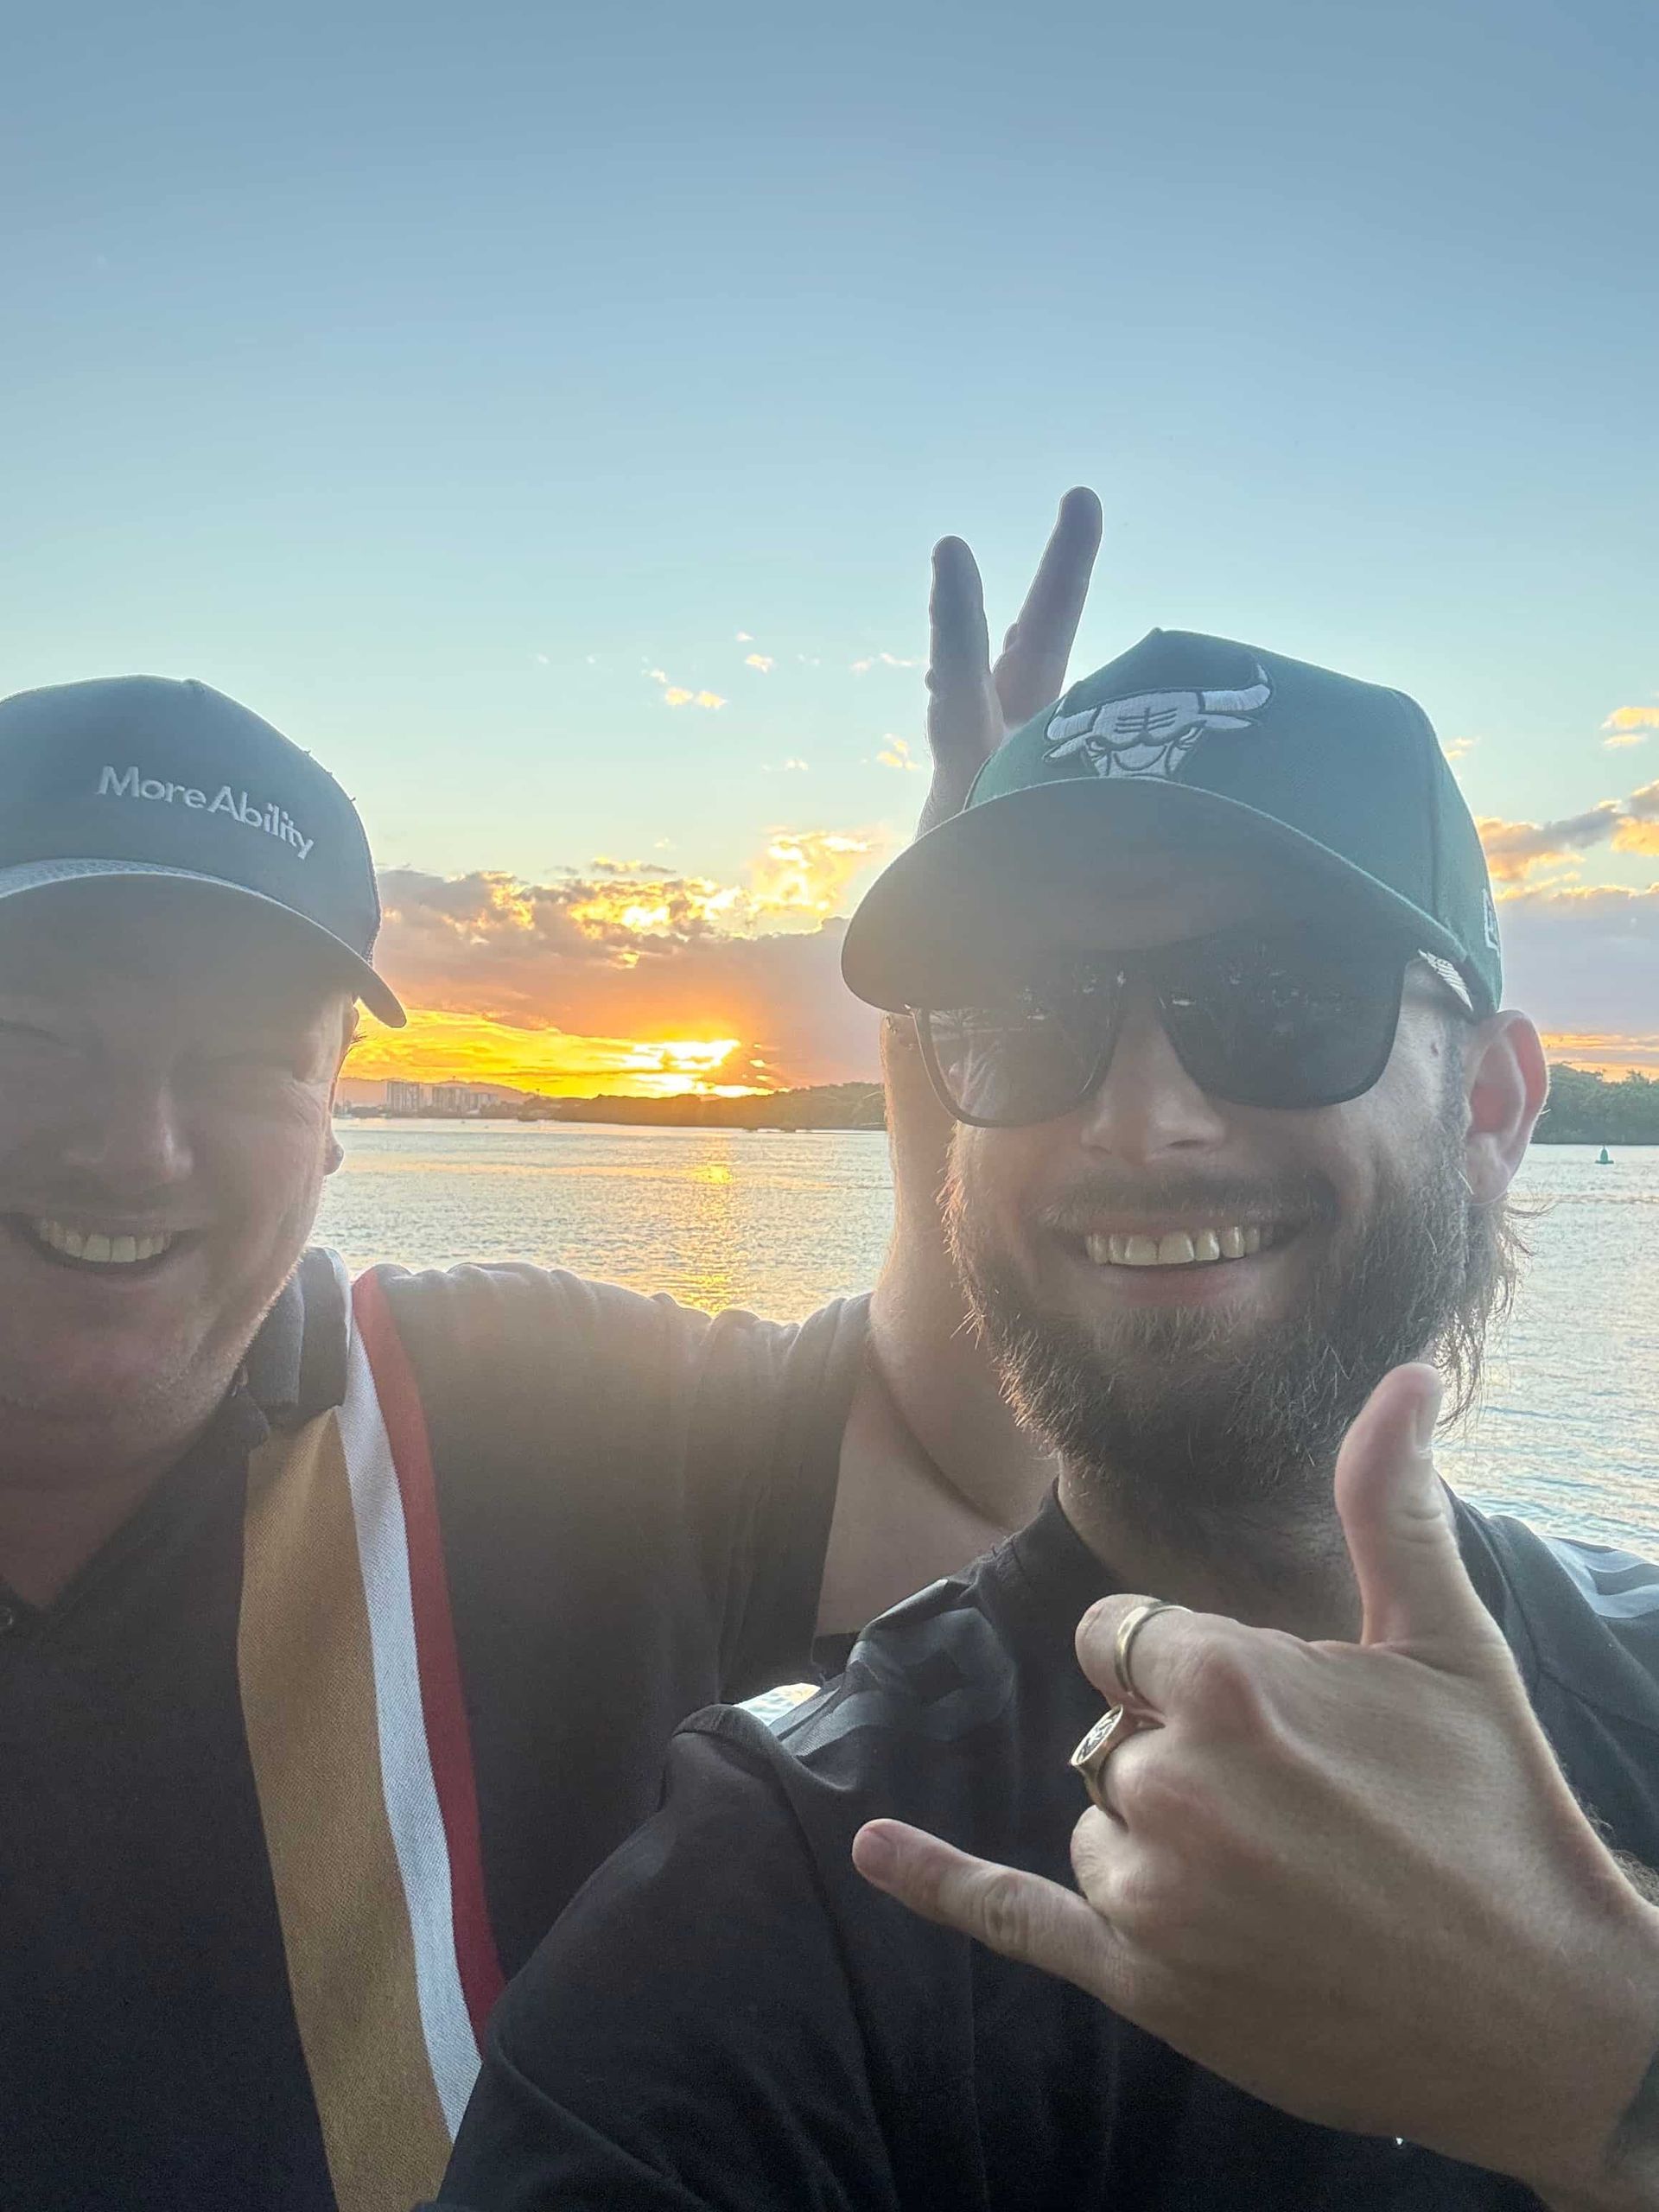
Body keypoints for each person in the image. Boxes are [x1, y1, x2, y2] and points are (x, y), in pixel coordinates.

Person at [433, 629, 1659, 2210]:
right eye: (1027, 1017)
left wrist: (1602, 2067)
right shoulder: (784, 1882)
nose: (1140, 1116)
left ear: (1488, 1106)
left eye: (1278, 996)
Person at [0, 493, 1102, 2212]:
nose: (135, 1145)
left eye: (240, 1059)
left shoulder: (507, 1417)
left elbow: (964, 1461)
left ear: (333, 1112)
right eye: (35, 1033)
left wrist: (981, 1006)